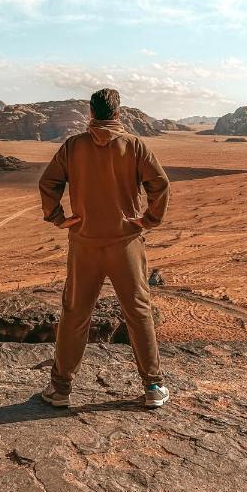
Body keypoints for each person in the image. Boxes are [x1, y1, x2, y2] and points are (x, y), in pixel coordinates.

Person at [38, 87, 170, 408]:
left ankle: (60, 390)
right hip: (125, 242)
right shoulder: (135, 146)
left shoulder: (74, 146)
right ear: (118, 113)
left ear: (91, 113)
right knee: (138, 312)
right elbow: (160, 184)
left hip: (84, 243)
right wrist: (148, 220)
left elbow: (48, 182)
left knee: (75, 313)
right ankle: (153, 387)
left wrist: (59, 218)